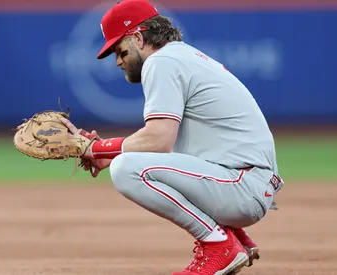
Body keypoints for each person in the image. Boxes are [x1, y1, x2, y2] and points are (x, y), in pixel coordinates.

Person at [60, 0, 284, 274]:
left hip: (242, 187)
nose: (118, 61)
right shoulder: (181, 56)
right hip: (245, 184)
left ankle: (218, 244)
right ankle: (231, 235)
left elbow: (158, 140)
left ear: (138, 38)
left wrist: (97, 149)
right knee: (133, 160)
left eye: (120, 51)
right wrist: (107, 153)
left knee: (125, 170)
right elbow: (166, 148)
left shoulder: (161, 62)